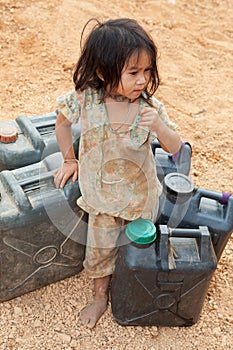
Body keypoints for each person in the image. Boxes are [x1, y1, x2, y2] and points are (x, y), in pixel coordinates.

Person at [53, 17, 181, 329]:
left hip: (140, 199)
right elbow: (61, 123)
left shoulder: (149, 109)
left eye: (147, 71)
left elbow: (175, 145)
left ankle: (135, 279)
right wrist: (70, 160)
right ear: (102, 72)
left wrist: (159, 126)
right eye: (133, 72)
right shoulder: (87, 99)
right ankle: (100, 296)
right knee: (100, 251)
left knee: (138, 246)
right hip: (102, 202)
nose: (142, 80)